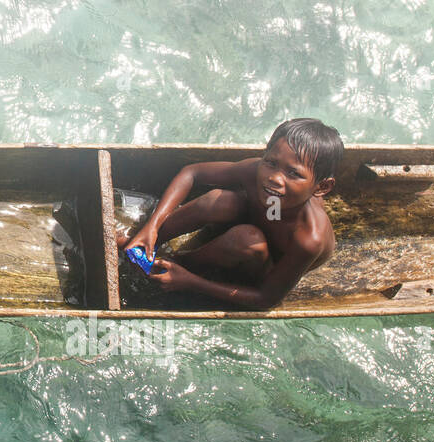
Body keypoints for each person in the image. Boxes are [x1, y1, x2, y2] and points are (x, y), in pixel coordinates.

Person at [118, 118, 343, 309]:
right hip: (257, 223)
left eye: (293, 173)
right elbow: (192, 173)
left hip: (263, 267)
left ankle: (176, 264)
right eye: (271, 162)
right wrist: (153, 225)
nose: (274, 177)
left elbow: (267, 299)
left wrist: (191, 282)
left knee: (247, 239)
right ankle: (148, 243)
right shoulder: (259, 173)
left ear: (321, 188)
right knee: (222, 200)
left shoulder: (309, 238)